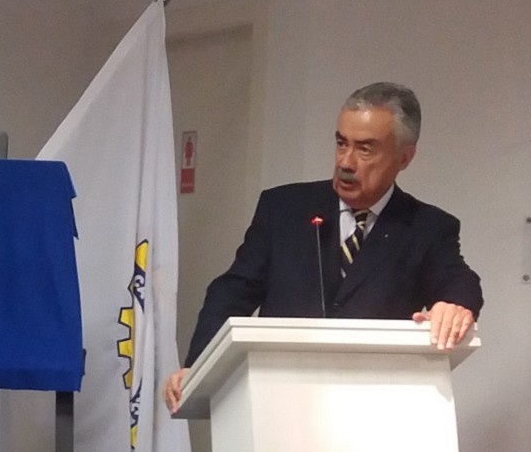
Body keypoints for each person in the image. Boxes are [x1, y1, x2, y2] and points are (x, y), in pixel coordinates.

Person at [165, 82, 482, 413]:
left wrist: (455, 305)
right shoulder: (283, 208)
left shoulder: (426, 227)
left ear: (404, 157)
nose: (346, 162)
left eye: (365, 149)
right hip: (277, 401)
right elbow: (233, 291)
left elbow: (458, 280)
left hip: (373, 410)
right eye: (341, 143)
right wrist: (197, 368)